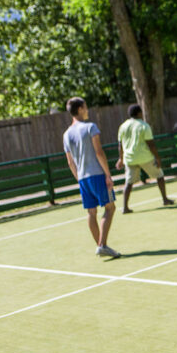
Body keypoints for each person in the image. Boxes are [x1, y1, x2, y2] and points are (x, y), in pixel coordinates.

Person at [62, 97, 121, 258]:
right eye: (86, 107)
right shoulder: (90, 127)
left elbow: (70, 162)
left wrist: (79, 179)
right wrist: (107, 175)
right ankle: (102, 245)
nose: (87, 110)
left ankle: (101, 245)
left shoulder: (66, 135)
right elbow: (99, 152)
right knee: (110, 208)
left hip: (82, 178)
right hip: (96, 174)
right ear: (80, 109)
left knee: (91, 212)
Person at [115, 104, 175, 213]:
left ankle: (125, 207)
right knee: (159, 175)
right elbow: (151, 144)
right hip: (145, 157)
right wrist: (157, 158)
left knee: (128, 183)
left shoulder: (123, 126)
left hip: (130, 159)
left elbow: (120, 145)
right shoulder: (144, 126)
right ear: (139, 113)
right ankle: (165, 199)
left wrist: (120, 158)